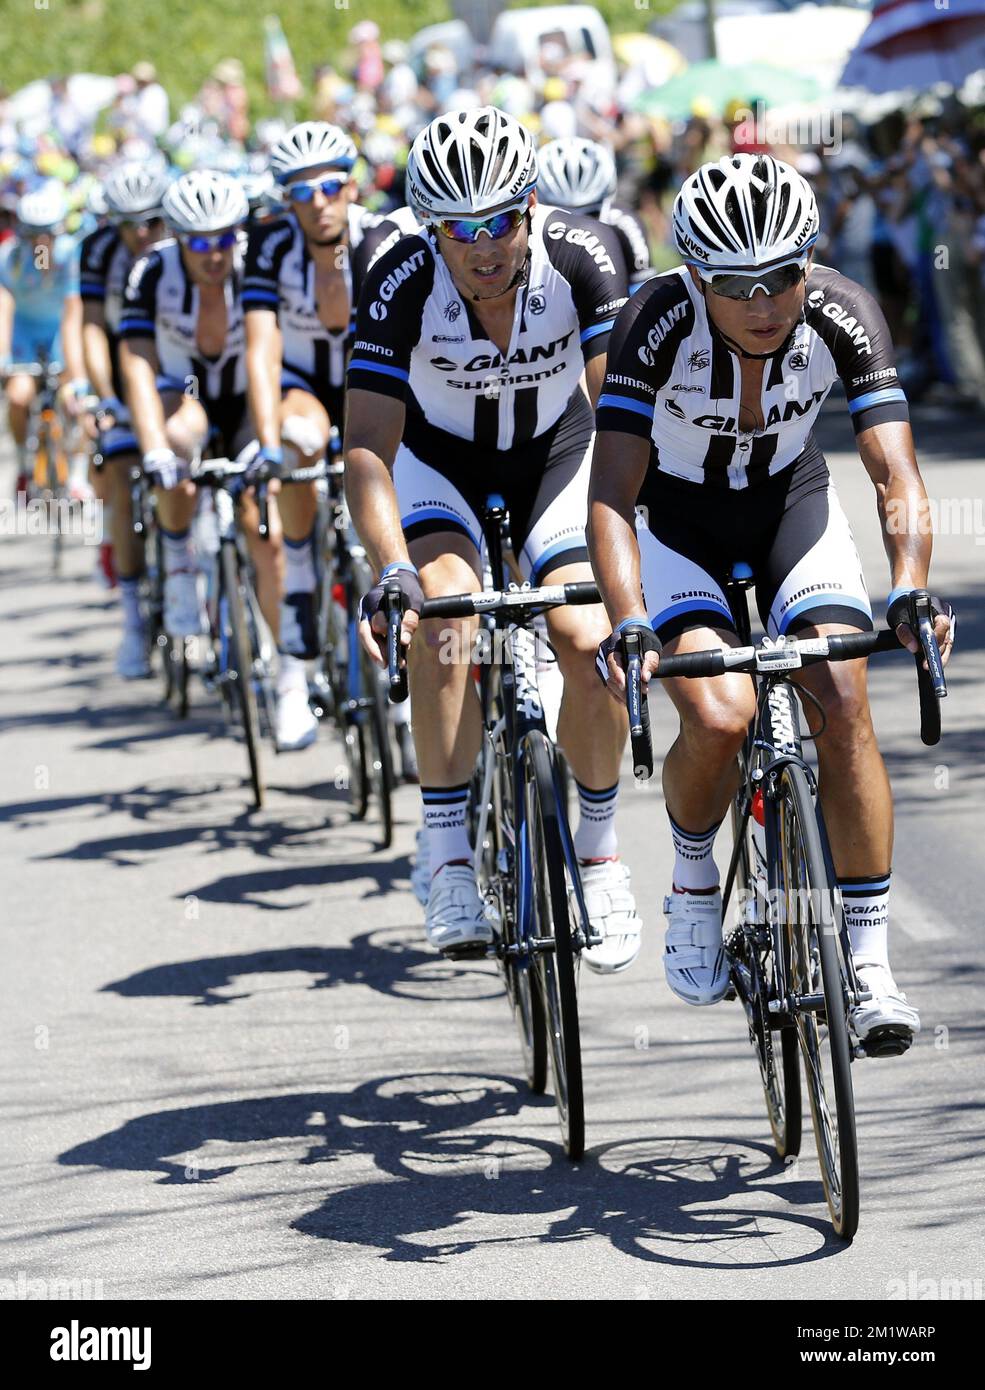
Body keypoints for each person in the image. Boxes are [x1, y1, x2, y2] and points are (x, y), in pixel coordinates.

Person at [590, 153, 954, 1053]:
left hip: (791, 507)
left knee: (843, 698)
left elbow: (892, 466)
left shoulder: (839, 307)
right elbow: (608, 494)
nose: (763, 301)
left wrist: (908, 582)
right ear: (694, 278)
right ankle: (689, 879)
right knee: (718, 717)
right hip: (677, 528)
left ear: (808, 263)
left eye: (781, 276)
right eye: (734, 284)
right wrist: (628, 616)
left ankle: (867, 964)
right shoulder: (652, 318)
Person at [345, 106, 642, 965]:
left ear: (532, 207)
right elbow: (366, 446)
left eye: (501, 221)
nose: (485, 245)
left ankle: (597, 850)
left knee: (588, 635)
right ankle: (444, 853)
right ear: (430, 230)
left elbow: (619, 414)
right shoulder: (399, 278)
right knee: (442, 618)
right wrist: (391, 568)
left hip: (557, 453)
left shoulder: (582, 257)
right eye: (460, 229)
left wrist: (638, 545)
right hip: (438, 464)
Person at [243, 121, 408, 756]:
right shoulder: (268, 247)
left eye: (331, 185)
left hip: (376, 379)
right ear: (285, 200)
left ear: (352, 183)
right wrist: (269, 446)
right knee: (298, 440)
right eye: (300, 191)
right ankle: (295, 655)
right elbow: (261, 350)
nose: (318, 201)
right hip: (305, 382)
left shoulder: (384, 236)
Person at [119, 171, 290, 735]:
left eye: (223, 239)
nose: (213, 254)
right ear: (176, 237)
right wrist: (152, 450)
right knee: (176, 453)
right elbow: (139, 367)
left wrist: (269, 443)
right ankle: (177, 561)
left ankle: (288, 672)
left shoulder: (255, 264)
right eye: (198, 242)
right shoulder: (152, 272)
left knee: (261, 529)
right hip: (183, 390)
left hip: (245, 396)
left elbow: (276, 349)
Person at [79, 161, 169, 676]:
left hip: (177, 367)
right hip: (122, 360)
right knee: (120, 466)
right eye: (128, 224)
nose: (140, 234)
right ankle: (133, 618)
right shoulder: (98, 251)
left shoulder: (180, 254)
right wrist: (105, 397)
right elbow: (92, 328)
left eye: (152, 222)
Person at [0, 183, 86, 497]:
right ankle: (25, 463)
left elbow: (73, 313)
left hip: (58, 331)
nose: (40, 242)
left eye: (46, 234)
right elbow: (3, 307)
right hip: (24, 332)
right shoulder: (10, 258)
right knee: (19, 397)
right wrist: (3, 355)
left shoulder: (70, 256)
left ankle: (77, 474)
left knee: (74, 400)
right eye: (32, 234)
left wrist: (77, 373)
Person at [536, 136, 654, 290]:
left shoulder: (624, 222)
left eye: (591, 215)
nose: (578, 230)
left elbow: (644, 292)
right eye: (561, 216)